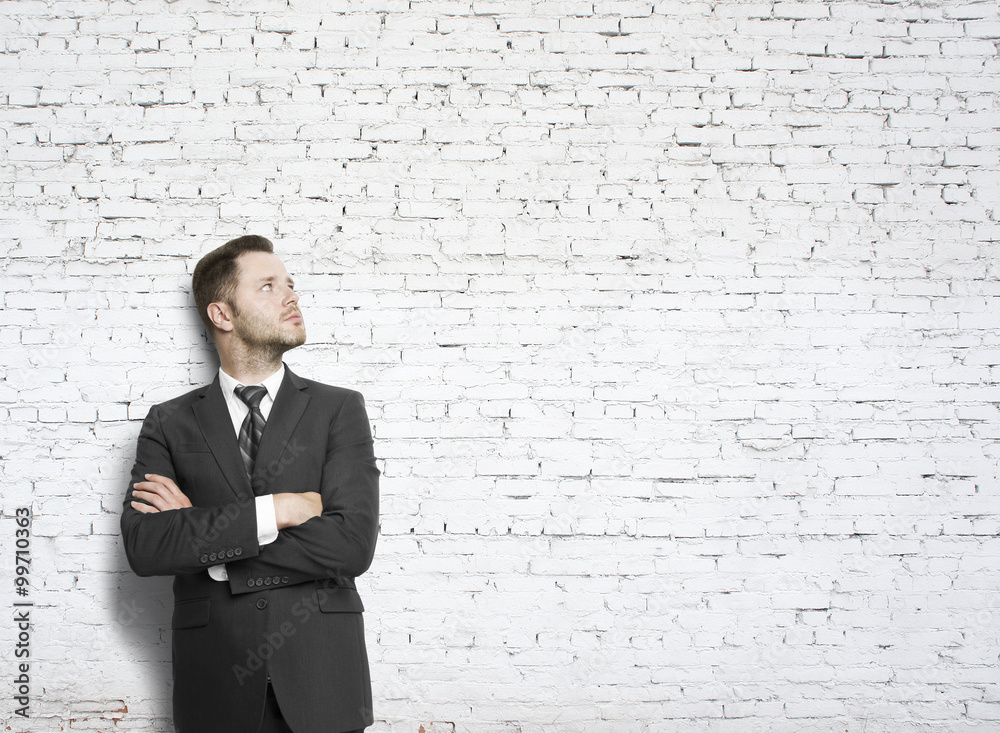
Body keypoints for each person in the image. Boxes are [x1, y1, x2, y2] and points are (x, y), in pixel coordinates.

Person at [120, 235, 379, 733]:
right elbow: (146, 547)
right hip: (215, 685)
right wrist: (275, 510)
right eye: (268, 286)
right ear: (222, 314)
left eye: (290, 284)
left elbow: (350, 545)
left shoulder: (339, 410)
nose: (291, 296)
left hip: (323, 680)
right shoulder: (169, 422)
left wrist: (208, 547)